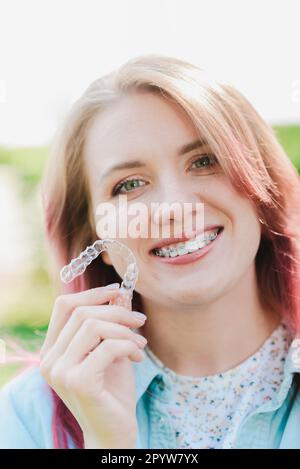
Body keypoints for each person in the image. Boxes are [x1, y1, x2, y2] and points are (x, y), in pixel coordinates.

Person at [0, 54, 300, 449]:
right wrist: (109, 445)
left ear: (262, 188)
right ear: (96, 238)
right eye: (129, 185)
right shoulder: (24, 417)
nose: (173, 207)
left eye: (205, 161)